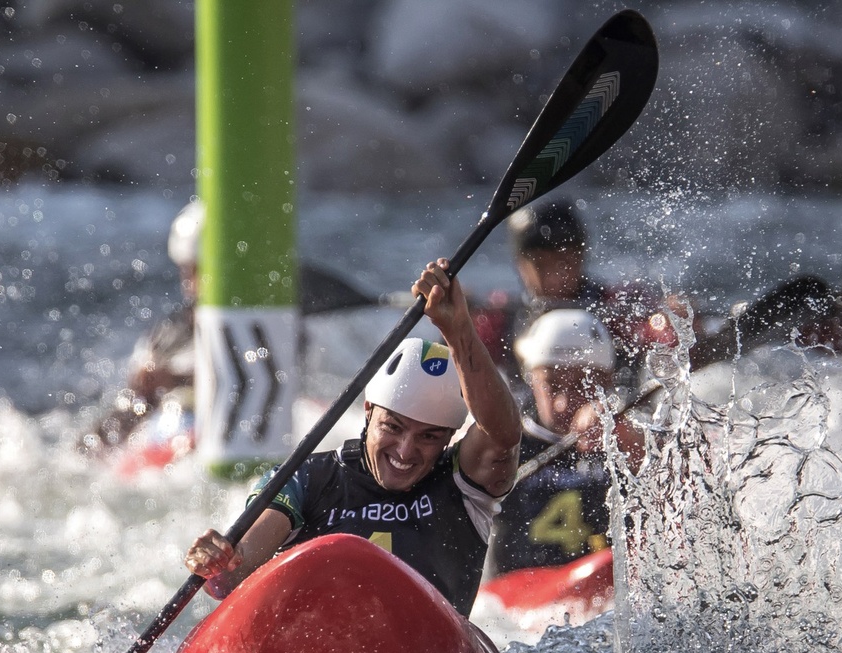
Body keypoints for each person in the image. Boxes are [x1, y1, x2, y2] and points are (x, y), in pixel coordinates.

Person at [183, 258, 522, 617]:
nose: (406, 451)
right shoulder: (306, 478)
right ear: (368, 412)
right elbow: (238, 571)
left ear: (449, 438)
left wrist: (458, 331)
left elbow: (501, 435)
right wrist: (220, 563)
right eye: (392, 427)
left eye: (428, 437)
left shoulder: (461, 484)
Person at [471, 197, 842, 391]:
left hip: (608, 426)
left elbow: (655, 329)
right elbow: (465, 366)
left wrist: (675, 326)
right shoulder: (499, 318)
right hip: (533, 439)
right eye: (541, 263)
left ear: (581, 256)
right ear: (520, 264)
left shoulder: (617, 306)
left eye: (564, 259)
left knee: (689, 348)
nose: (554, 273)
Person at [486, 308, 646, 576]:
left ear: (606, 382)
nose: (563, 403)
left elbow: (669, 471)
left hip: (601, 588)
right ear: (531, 380)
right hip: (516, 599)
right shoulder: (504, 439)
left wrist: (620, 430)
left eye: (580, 384)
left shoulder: (623, 434)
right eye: (552, 384)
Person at [83, 200, 201, 451]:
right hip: (176, 434)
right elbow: (136, 404)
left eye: (199, 270)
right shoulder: (167, 335)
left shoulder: (273, 324)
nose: (189, 281)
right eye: (188, 270)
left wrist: (176, 380)